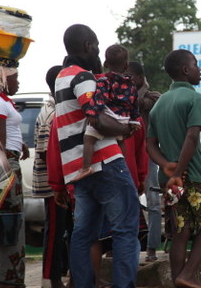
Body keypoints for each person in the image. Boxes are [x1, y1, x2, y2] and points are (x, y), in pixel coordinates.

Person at [53, 24, 139, 288]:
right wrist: (127, 128)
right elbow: (98, 118)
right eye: (97, 46)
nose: (99, 52)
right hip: (105, 162)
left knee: (83, 235)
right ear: (88, 45)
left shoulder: (61, 78)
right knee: (125, 229)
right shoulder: (84, 77)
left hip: (78, 167)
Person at [146, 49, 201, 288]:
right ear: (186, 70)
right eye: (196, 65)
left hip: (168, 180)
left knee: (181, 231)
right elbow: (192, 135)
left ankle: (180, 280)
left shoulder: (160, 104)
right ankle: (188, 274)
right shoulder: (194, 98)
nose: (200, 70)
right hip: (193, 175)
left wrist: (167, 166)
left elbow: (149, 144)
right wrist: (179, 172)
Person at [0, 55, 30, 288]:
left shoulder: (2, 102)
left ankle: (9, 275)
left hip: (11, 163)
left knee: (11, 222)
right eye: (16, 78)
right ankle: (6, 277)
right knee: (8, 223)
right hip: (6, 167)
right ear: (4, 79)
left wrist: (19, 144)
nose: (18, 83)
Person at [73, 44, 141, 182]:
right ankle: (123, 167)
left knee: (89, 138)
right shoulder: (132, 85)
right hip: (123, 119)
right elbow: (134, 104)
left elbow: (99, 98)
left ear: (105, 63)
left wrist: (92, 113)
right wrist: (134, 121)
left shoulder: (104, 81)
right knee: (121, 141)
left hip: (108, 117)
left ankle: (86, 167)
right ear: (126, 65)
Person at [33, 65, 69, 288]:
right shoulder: (52, 111)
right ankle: (51, 278)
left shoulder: (55, 107)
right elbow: (48, 153)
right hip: (53, 185)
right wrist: (59, 184)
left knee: (61, 230)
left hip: (58, 183)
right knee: (55, 230)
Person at [125, 61, 162, 263]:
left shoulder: (153, 97)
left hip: (148, 157)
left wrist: (141, 88)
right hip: (126, 155)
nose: (126, 80)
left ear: (140, 78)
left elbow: (138, 104)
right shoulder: (121, 95)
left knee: (154, 204)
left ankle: (152, 249)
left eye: (130, 77)